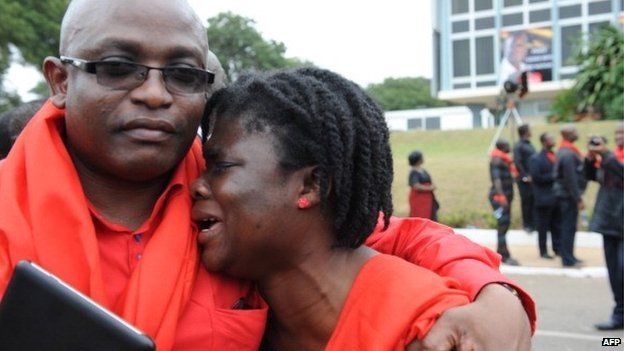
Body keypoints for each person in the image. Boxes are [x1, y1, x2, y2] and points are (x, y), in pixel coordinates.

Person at [0, 0, 534, 350]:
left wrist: (495, 295)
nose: (155, 93)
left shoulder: (234, 212)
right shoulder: (10, 210)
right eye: (117, 67)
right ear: (60, 80)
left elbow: (388, 235)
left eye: (184, 74)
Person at [192, 67, 472, 350]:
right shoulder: (246, 314)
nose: (197, 186)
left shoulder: (432, 330)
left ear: (311, 185)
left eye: (221, 166)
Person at [584, 126, 624, 331]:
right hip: (610, 221)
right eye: (616, 134)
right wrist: (590, 158)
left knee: (622, 267)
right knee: (614, 271)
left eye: (622, 134)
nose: (619, 138)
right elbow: (589, 176)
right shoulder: (610, 158)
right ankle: (619, 314)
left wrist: (606, 154)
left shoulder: (613, 159)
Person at [554, 124, 587, 267]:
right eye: (574, 131)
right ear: (567, 134)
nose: (577, 133)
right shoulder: (567, 153)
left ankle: (570, 256)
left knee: (570, 227)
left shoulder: (566, 150)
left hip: (566, 195)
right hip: (567, 196)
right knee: (568, 227)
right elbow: (570, 179)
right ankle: (567, 259)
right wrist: (578, 198)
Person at [529, 132, 561, 259]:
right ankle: (543, 251)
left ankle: (557, 248)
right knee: (543, 226)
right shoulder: (535, 158)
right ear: (544, 142)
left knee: (556, 224)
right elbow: (537, 177)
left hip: (555, 197)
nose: (553, 141)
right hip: (543, 198)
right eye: (550, 139)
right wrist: (555, 175)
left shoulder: (555, 155)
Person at [489, 139, 520, 265]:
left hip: (505, 197)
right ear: (502, 146)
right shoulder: (496, 160)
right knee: (502, 225)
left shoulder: (503, 160)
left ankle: (502, 253)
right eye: (507, 144)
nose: (509, 146)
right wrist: (501, 196)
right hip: (500, 198)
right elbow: (496, 180)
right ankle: (504, 256)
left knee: (504, 225)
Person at [514, 124, 536, 233]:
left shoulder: (529, 144)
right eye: (529, 130)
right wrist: (525, 176)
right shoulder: (519, 146)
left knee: (533, 201)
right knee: (526, 201)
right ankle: (527, 224)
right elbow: (517, 162)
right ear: (525, 132)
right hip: (525, 179)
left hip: (533, 178)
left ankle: (533, 223)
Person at [408, 150, 439, 220]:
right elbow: (416, 186)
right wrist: (429, 188)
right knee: (421, 215)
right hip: (419, 198)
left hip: (428, 197)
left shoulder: (422, 170)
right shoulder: (413, 172)